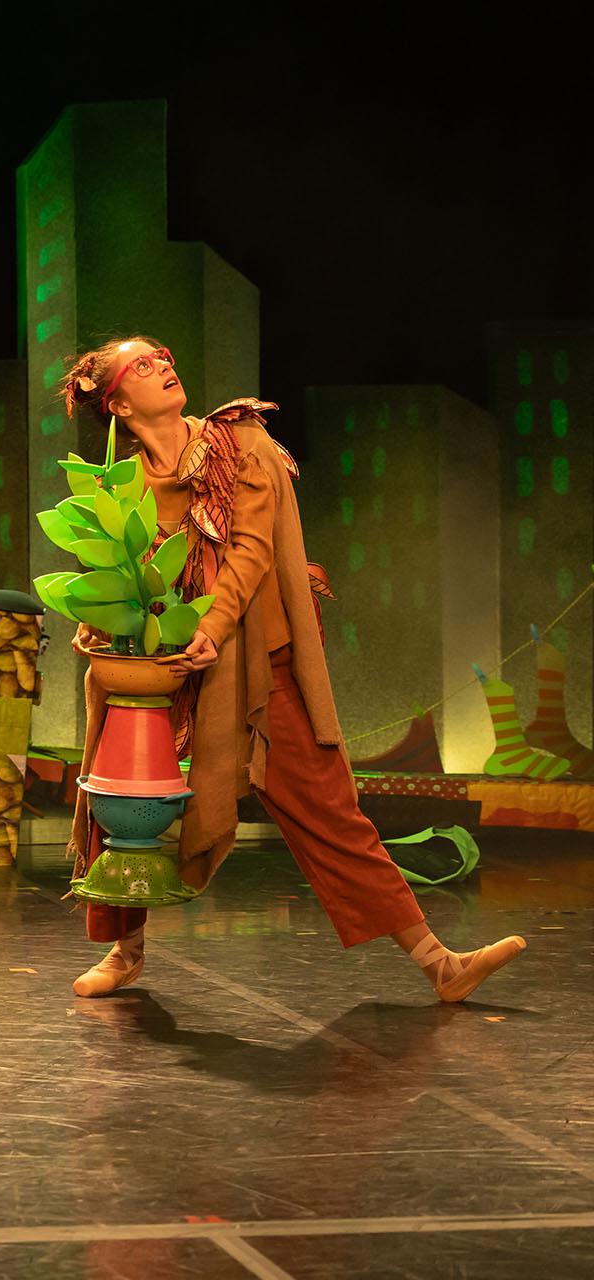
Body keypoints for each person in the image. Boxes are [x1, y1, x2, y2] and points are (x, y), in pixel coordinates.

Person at [59, 338, 525, 1002]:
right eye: (143, 364)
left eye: (163, 354)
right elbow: (124, 580)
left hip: (257, 663)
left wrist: (212, 631)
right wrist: (100, 620)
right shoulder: (124, 485)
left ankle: (439, 964)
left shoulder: (238, 444)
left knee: (328, 810)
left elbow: (249, 552)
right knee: (121, 792)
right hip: (170, 669)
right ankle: (124, 948)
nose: (164, 364)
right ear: (118, 402)